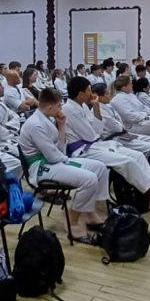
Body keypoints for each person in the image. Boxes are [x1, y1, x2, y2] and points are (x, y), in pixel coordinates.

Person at [62, 77, 150, 218]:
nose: (91, 94)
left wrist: (96, 108)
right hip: (83, 150)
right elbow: (91, 135)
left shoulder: (83, 106)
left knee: (138, 156)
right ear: (80, 94)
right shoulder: (70, 110)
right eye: (89, 90)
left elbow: (97, 131)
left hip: (97, 144)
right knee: (129, 162)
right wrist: (96, 115)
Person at [19, 88, 109, 244]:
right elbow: (53, 156)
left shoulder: (47, 119)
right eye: (59, 105)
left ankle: (89, 212)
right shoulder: (35, 125)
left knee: (100, 167)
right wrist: (67, 161)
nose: (61, 108)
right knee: (89, 179)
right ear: (50, 107)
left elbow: (59, 151)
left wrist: (62, 126)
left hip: (54, 161)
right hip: (41, 168)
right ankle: (73, 224)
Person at [91, 82, 150, 158]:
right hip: (115, 137)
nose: (109, 95)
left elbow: (119, 122)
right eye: (107, 94)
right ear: (100, 97)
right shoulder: (100, 110)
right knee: (149, 147)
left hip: (125, 131)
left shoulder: (108, 105)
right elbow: (117, 127)